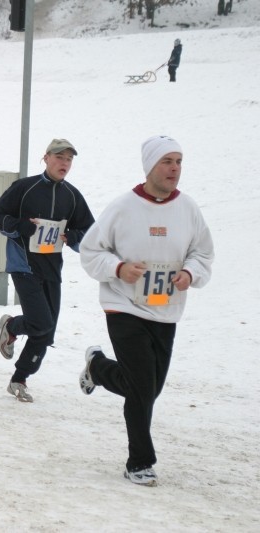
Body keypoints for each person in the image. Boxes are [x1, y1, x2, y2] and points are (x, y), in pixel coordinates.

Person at [78, 135, 213, 487]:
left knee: (147, 389)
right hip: (123, 305)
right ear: (150, 166)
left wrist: (189, 273)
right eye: (167, 161)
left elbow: (203, 254)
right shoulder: (123, 207)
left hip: (164, 309)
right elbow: (91, 251)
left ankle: (97, 367)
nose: (174, 168)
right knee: (141, 387)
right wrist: (118, 269)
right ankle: (139, 461)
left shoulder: (188, 209)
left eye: (179, 161)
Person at [0, 138, 95, 403]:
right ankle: (12, 326)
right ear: (46, 158)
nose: (64, 163)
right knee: (41, 322)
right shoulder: (24, 188)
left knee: (46, 333)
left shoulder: (71, 196)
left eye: (69, 159)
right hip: (23, 265)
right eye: (60, 157)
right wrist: (20, 226)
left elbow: (91, 232)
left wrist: (72, 237)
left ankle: (19, 380)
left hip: (51, 268)